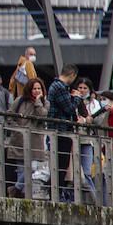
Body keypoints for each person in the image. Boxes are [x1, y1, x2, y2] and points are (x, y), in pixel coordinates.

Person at [7, 77, 49, 197]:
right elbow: (9, 116)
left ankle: (15, 189)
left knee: (31, 168)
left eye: (39, 88)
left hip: (35, 141)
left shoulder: (45, 103)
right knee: (21, 170)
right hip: (19, 140)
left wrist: (37, 101)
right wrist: (18, 128)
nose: (36, 91)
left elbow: (42, 115)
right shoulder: (20, 100)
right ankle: (23, 196)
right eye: (34, 88)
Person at [46, 64, 81, 201]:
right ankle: (55, 193)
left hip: (58, 130)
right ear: (72, 75)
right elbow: (69, 109)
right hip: (61, 130)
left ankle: (56, 192)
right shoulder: (60, 87)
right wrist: (77, 98)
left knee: (60, 164)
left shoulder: (56, 86)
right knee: (61, 164)